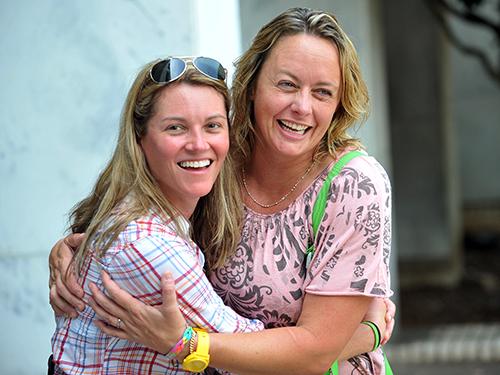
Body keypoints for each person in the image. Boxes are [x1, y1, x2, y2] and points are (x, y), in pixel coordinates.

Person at [49, 7, 395, 375]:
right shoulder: (215, 154)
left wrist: (185, 343)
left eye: (323, 92)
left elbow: (314, 355)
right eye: (287, 84)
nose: (302, 107)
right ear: (252, 86)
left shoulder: (353, 186)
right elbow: (128, 229)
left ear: (340, 104)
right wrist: (68, 252)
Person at [49, 56, 271, 374]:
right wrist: (360, 334)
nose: (198, 144)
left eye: (212, 126)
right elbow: (255, 357)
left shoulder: (153, 211)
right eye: (175, 128)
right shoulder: (148, 245)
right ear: (140, 138)